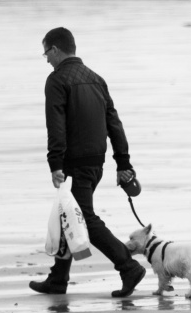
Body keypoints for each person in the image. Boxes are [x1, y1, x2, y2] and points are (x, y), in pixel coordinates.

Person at [30, 27, 147, 298]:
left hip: (74, 163)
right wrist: (122, 162)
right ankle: (58, 279)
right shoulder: (96, 79)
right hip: (96, 162)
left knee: (83, 219)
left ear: (56, 50)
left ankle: (128, 266)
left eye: (46, 52)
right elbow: (113, 123)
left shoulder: (57, 80)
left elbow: (55, 126)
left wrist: (55, 163)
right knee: (67, 215)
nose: (46, 58)